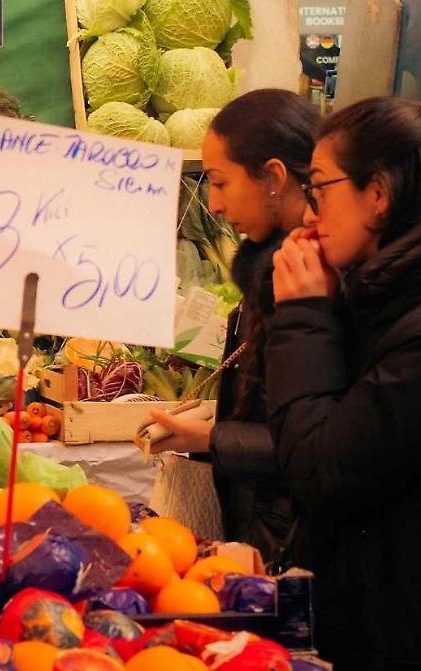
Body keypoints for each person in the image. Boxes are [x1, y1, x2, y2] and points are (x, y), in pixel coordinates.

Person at [266, 96, 421, 671]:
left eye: (319, 188)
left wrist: (305, 316)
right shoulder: (389, 297)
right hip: (381, 617)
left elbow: (322, 468)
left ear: (379, 195)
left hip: (415, 650)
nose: (310, 213)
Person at [143, 90, 319, 564]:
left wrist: (211, 438)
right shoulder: (276, 268)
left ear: (274, 177)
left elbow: (318, 444)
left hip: (296, 540)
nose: (213, 203)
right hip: (267, 522)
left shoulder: (306, 280)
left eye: (220, 183)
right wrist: (217, 418)